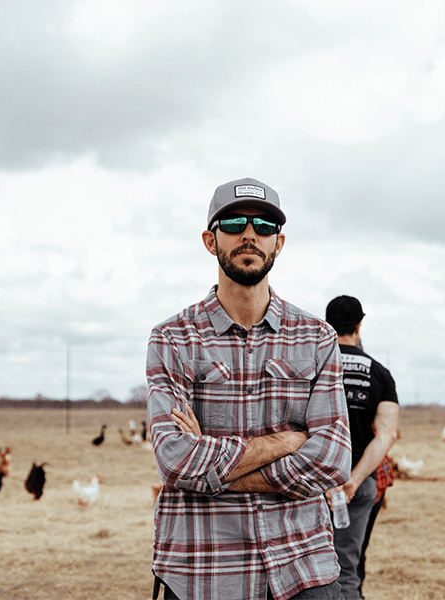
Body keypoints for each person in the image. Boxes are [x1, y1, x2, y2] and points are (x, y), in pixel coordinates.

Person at [146, 177, 352, 600]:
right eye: (235, 222)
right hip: (204, 570)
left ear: (279, 243)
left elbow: (333, 461)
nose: (250, 234)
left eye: (265, 227)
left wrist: (214, 466)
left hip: (303, 567)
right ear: (210, 239)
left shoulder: (316, 338)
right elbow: (175, 461)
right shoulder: (173, 338)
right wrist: (288, 441)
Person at [324, 295, 399, 600]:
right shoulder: (380, 373)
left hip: (313, 485)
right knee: (347, 569)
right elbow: (387, 434)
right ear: (359, 325)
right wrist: (354, 479)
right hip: (359, 486)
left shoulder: (314, 365)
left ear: (326, 324)